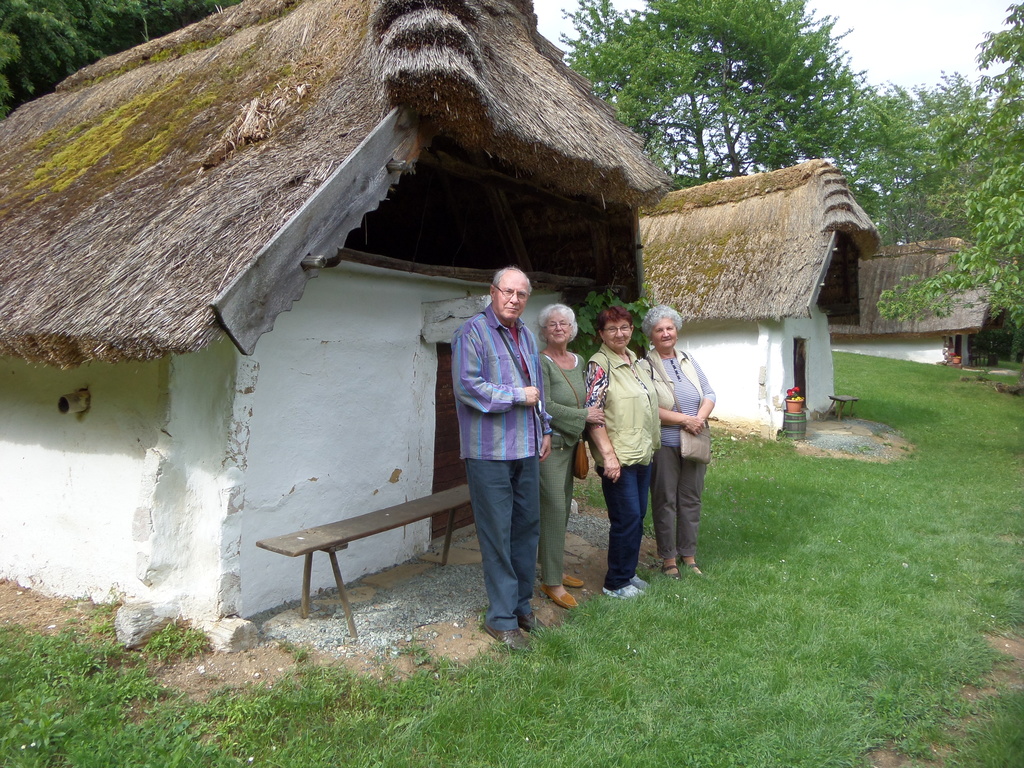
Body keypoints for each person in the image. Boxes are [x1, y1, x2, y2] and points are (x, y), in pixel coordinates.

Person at [452, 267, 552, 650]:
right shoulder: (471, 332)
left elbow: (537, 388)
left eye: (521, 294)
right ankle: (501, 618)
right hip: (488, 451)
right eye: (508, 291)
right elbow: (468, 387)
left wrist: (544, 427)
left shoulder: (527, 335)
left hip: (526, 446)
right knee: (497, 534)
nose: (514, 299)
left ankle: (521, 607)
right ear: (492, 292)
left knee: (527, 529)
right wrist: (516, 396)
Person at [584, 305, 660, 599]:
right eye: (612, 329)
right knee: (626, 519)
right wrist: (608, 457)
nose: (620, 333)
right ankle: (615, 583)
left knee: (637, 517)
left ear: (632, 329)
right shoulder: (600, 365)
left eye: (625, 327)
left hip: (641, 452)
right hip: (618, 457)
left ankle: (628, 573)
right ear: (601, 334)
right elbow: (594, 414)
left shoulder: (635, 362)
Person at [536, 304, 604, 609]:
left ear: (572, 328)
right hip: (551, 447)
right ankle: (552, 582)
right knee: (553, 508)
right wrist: (583, 416)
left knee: (562, 510)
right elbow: (546, 404)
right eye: (552, 324)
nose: (558, 328)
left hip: (572, 444)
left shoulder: (578, 362)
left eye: (564, 323)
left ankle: (553, 569)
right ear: (544, 331)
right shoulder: (542, 362)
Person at [641, 305, 716, 578]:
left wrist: (699, 419)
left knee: (691, 499)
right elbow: (649, 406)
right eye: (659, 330)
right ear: (650, 335)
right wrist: (685, 420)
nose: (665, 334)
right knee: (665, 501)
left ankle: (689, 555)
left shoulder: (688, 359)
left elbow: (709, 393)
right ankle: (668, 558)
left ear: (677, 330)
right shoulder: (644, 366)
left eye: (669, 328)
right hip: (666, 444)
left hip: (694, 441)